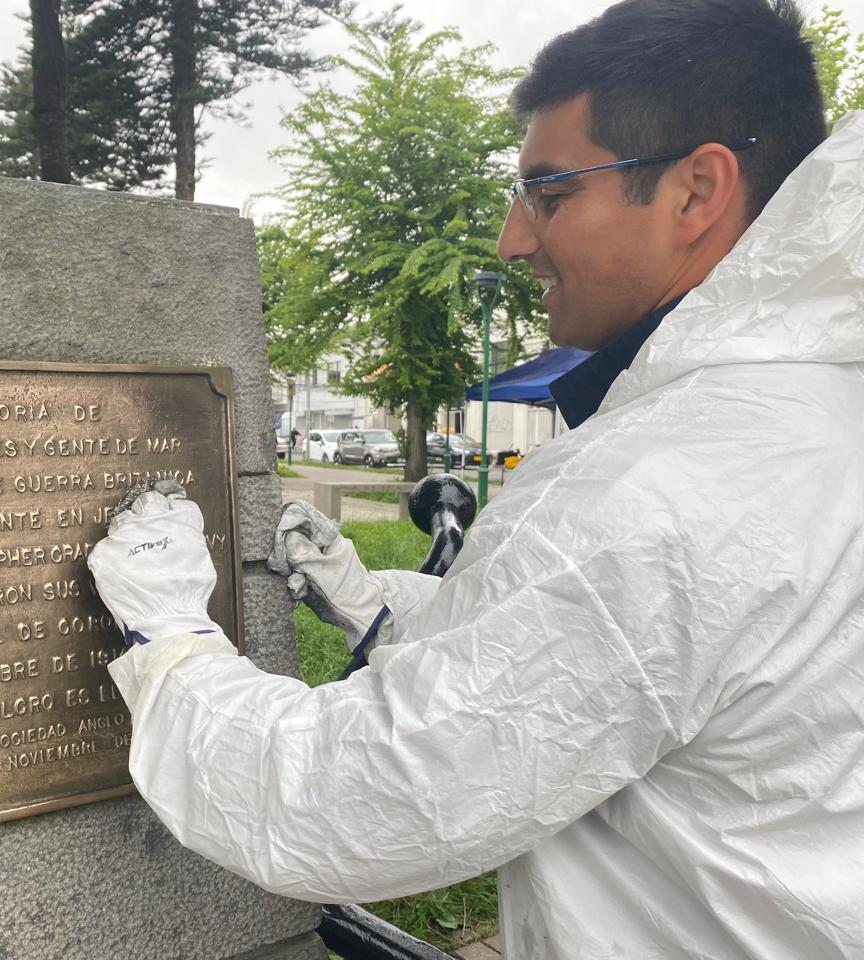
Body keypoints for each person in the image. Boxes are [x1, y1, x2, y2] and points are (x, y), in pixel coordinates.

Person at [87, 1, 864, 956]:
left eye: (550, 191)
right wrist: (376, 609)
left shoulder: (656, 485)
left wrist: (168, 639)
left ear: (697, 190)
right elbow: (641, 683)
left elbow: (346, 800)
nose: (513, 239)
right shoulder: (815, 416)